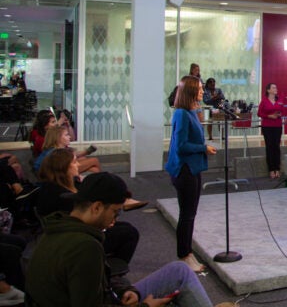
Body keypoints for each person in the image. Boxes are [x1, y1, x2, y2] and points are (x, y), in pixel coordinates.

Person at [26, 172, 230, 307]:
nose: (115, 221)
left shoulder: (57, 229)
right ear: (96, 207)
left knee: (180, 270)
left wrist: (123, 290)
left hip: (111, 298)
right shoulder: (84, 248)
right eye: (115, 212)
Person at [37, 148, 140, 266]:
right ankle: (112, 270)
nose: (78, 165)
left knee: (124, 226)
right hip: (79, 234)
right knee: (130, 232)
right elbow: (81, 216)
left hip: (79, 228)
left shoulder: (65, 185)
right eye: (74, 162)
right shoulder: (57, 194)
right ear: (64, 166)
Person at [166, 75, 217, 272]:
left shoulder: (190, 112)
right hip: (184, 169)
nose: (203, 91)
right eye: (200, 88)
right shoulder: (181, 114)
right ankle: (184, 254)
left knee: (191, 213)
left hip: (192, 168)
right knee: (187, 215)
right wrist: (203, 148)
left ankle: (187, 252)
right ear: (190, 91)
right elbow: (180, 146)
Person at [34, 125, 100, 174]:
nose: (70, 137)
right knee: (94, 160)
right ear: (57, 138)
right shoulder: (55, 153)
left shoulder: (55, 149)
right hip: (54, 179)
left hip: (55, 175)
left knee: (92, 167)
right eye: (66, 135)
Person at [257, 83, 284, 179]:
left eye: (276, 87)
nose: (276, 89)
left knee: (276, 146)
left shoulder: (279, 99)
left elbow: (282, 110)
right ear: (268, 90)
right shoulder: (264, 101)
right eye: (273, 87)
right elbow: (259, 113)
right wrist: (269, 116)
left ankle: (277, 168)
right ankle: (271, 169)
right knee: (269, 147)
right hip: (267, 126)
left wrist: (278, 114)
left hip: (277, 125)